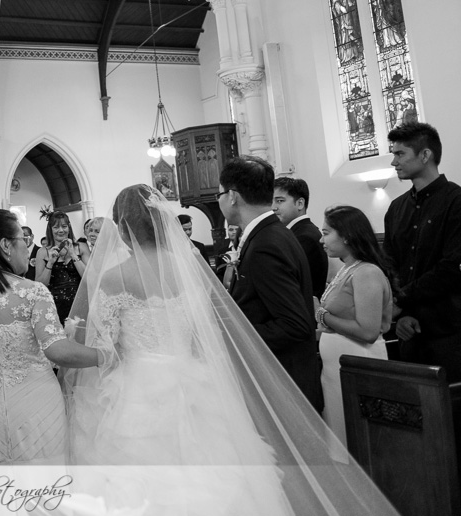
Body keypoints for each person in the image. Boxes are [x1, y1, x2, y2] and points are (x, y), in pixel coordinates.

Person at [63, 185, 400, 516]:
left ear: (122, 229)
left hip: (137, 390)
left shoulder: (114, 278)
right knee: (216, 468)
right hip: (194, 383)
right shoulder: (190, 270)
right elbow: (202, 334)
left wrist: (77, 342)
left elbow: (106, 349)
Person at [0, 210, 100, 464]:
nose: (27, 248)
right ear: (6, 245)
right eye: (22, 240)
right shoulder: (34, 292)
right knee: (43, 477)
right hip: (35, 404)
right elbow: (57, 351)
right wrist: (106, 355)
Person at [218, 156, 322, 410]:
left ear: (232, 196)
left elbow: (295, 324)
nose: (219, 201)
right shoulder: (270, 233)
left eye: (219, 194)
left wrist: (231, 333)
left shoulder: (266, 244)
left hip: (282, 384)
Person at [383, 122, 461, 379]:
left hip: (449, 331)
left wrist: (402, 300)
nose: (394, 162)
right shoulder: (396, 208)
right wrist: (403, 315)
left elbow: (451, 268)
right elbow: (390, 264)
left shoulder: (456, 201)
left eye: (400, 154)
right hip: (407, 331)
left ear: (425, 155)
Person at [317, 205, 394, 444]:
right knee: (340, 436)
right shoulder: (347, 268)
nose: (321, 240)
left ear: (347, 236)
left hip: (359, 364)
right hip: (337, 370)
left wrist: (322, 316)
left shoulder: (366, 272)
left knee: (360, 439)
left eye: (326, 233)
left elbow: (368, 331)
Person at [273, 177, 329, 298]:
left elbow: (294, 283)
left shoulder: (305, 237)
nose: (273, 207)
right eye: (271, 201)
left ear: (300, 204)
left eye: (280, 201)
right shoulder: (297, 232)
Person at [35, 210, 89, 324]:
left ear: (69, 227)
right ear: (50, 229)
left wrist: (73, 255)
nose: (61, 230)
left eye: (64, 226)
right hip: (54, 307)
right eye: (56, 227)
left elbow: (89, 278)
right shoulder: (42, 252)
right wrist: (50, 263)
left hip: (80, 305)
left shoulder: (81, 247)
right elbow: (40, 285)